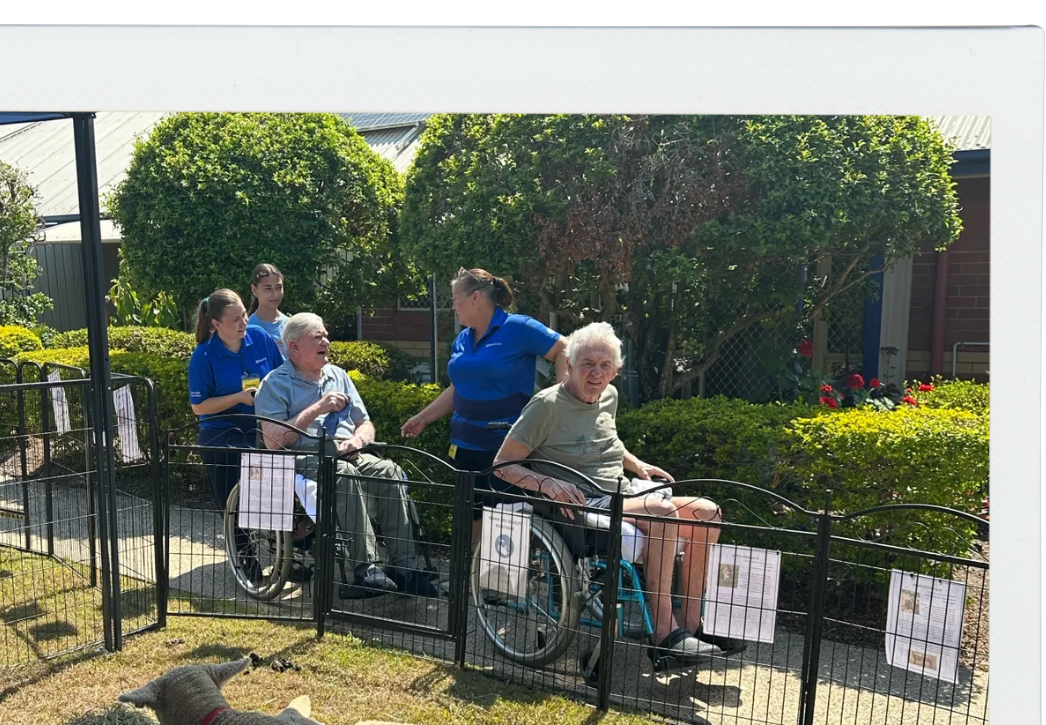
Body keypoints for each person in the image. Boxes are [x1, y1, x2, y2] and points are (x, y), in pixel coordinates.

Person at [490, 321, 744, 672]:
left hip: (620, 492)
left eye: (605, 366)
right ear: (569, 363)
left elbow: (607, 439)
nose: (596, 373)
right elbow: (502, 464)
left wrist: (637, 464)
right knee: (661, 511)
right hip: (581, 503)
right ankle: (664, 635)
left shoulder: (608, 395)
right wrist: (546, 484)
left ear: (617, 370)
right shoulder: (546, 406)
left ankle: (691, 625)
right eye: (588, 364)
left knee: (708, 512)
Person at [255, 312, 435, 598]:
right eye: (318, 336)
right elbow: (273, 441)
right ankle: (367, 568)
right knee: (342, 473)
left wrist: (358, 440)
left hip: (348, 451)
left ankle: (406, 568)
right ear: (294, 347)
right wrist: (317, 408)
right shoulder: (275, 383)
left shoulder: (338, 376)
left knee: (388, 470)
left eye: (326, 335)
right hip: (304, 456)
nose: (326, 341)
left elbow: (365, 423)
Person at [400, 268, 568, 491]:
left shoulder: (518, 327)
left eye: (455, 299)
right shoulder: (461, 338)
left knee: (505, 522)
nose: (452, 306)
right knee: (469, 520)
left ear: (475, 298)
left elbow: (565, 349)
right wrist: (423, 418)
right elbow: (456, 388)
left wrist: (558, 400)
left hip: (505, 450)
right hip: (463, 447)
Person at [187, 289, 283, 564]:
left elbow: (280, 376)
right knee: (229, 485)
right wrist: (238, 398)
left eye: (244, 315)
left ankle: (285, 549)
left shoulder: (260, 338)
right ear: (216, 324)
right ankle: (244, 554)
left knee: (277, 474)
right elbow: (199, 407)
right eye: (235, 320)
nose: (244, 324)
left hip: (261, 423)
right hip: (221, 429)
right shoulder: (203, 356)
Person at [246, 263, 289, 362]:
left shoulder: (290, 324)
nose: (275, 294)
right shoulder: (248, 328)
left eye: (279, 287)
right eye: (268, 289)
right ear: (254, 290)